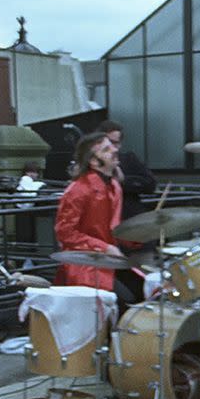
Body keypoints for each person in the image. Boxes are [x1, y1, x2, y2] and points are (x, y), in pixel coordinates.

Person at [54, 132, 136, 314]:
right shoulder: (77, 190)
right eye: (107, 149)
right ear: (93, 161)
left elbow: (113, 227)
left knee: (146, 290)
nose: (115, 150)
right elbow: (65, 233)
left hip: (109, 260)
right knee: (126, 302)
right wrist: (105, 248)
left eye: (112, 146)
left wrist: (142, 235)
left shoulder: (114, 185)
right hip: (85, 265)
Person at [95, 120, 157, 220]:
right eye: (109, 143)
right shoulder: (91, 163)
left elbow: (150, 184)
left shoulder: (128, 159)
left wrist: (124, 180)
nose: (113, 148)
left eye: (116, 143)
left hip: (127, 218)